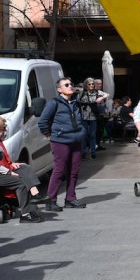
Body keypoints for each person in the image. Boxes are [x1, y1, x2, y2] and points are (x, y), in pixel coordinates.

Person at [38, 77, 88, 211]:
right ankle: (51, 201)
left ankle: (70, 199)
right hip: (60, 141)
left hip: (76, 140)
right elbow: (42, 121)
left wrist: (81, 131)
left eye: (71, 84)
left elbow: (80, 119)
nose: (70, 86)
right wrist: (49, 136)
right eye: (66, 85)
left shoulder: (75, 102)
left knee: (74, 170)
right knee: (59, 171)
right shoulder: (53, 103)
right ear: (59, 89)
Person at [0, 117, 44, 222]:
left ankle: (35, 194)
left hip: (4, 169)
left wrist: (12, 164)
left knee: (24, 167)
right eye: (1, 130)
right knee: (20, 183)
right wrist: (10, 172)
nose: (3, 132)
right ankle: (25, 214)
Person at [77, 77, 107, 159]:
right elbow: (74, 90)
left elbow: (107, 94)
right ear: (86, 85)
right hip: (84, 116)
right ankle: (83, 152)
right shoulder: (82, 92)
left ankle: (93, 152)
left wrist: (101, 97)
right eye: (89, 84)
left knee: (92, 135)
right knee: (84, 134)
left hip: (93, 116)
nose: (91, 85)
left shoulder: (97, 92)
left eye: (93, 84)